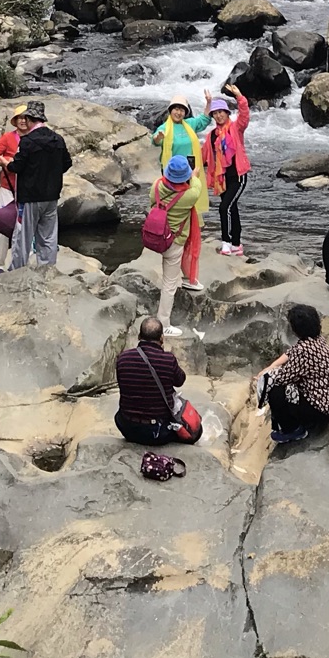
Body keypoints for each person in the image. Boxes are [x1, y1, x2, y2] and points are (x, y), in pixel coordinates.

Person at [258, 304, 329, 445]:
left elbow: (282, 378)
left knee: (275, 390)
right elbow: (291, 352)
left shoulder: (303, 351)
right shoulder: (318, 341)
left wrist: (267, 374)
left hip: (321, 410)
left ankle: (292, 430)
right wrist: (273, 365)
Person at [115, 316, 202, 445]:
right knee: (195, 430)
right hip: (156, 431)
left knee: (120, 414)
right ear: (162, 338)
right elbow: (180, 380)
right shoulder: (167, 360)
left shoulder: (123, 359)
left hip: (127, 427)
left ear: (139, 336)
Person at [151, 98, 209, 290]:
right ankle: (174, 243)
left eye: (182, 110)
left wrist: (209, 102)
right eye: (176, 109)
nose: (179, 112)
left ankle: (183, 270)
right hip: (172, 177)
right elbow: (155, 140)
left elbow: (205, 120)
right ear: (170, 111)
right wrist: (159, 138)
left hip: (189, 174)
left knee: (186, 213)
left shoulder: (189, 124)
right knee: (177, 213)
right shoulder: (164, 127)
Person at [6, 101, 72, 270]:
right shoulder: (58, 139)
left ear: (29, 119)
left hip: (30, 197)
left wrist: (7, 164)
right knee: (48, 236)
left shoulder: (27, 141)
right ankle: (47, 270)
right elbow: (67, 163)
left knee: (23, 236)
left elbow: (17, 166)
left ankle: (17, 271)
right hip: (51, 196)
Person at [146, 153, 205, 334]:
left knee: (174, 266)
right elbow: (195, 181)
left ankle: (189, 280)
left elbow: (152, 202)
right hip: (174, 241)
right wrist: (193, 174)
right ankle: (163, 324)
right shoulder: (190, 194)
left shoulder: (156, 186)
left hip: (156, 236)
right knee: (169, 284)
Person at [203, 84, 251, 256]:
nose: (218, 115)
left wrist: (239, 96)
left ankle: (226, 242)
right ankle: (237, 244)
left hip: (238, 175)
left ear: (227, 113)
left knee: (225, 208)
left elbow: (245, 115)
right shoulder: (212, 135)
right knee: (232, 208)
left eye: (221, 112)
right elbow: (205, 156)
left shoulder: (236, 128)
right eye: (215, 113)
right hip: (222, 177)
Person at [0, 103, 30, 272]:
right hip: (8, 188)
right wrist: (5, 161)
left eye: (26, 118)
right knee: (4, 225)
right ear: (15, 120)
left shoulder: (35, 137)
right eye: (20, 118)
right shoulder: (7, 138)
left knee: (26, 226)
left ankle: (20, 262)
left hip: (28, 189)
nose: (23, 121)